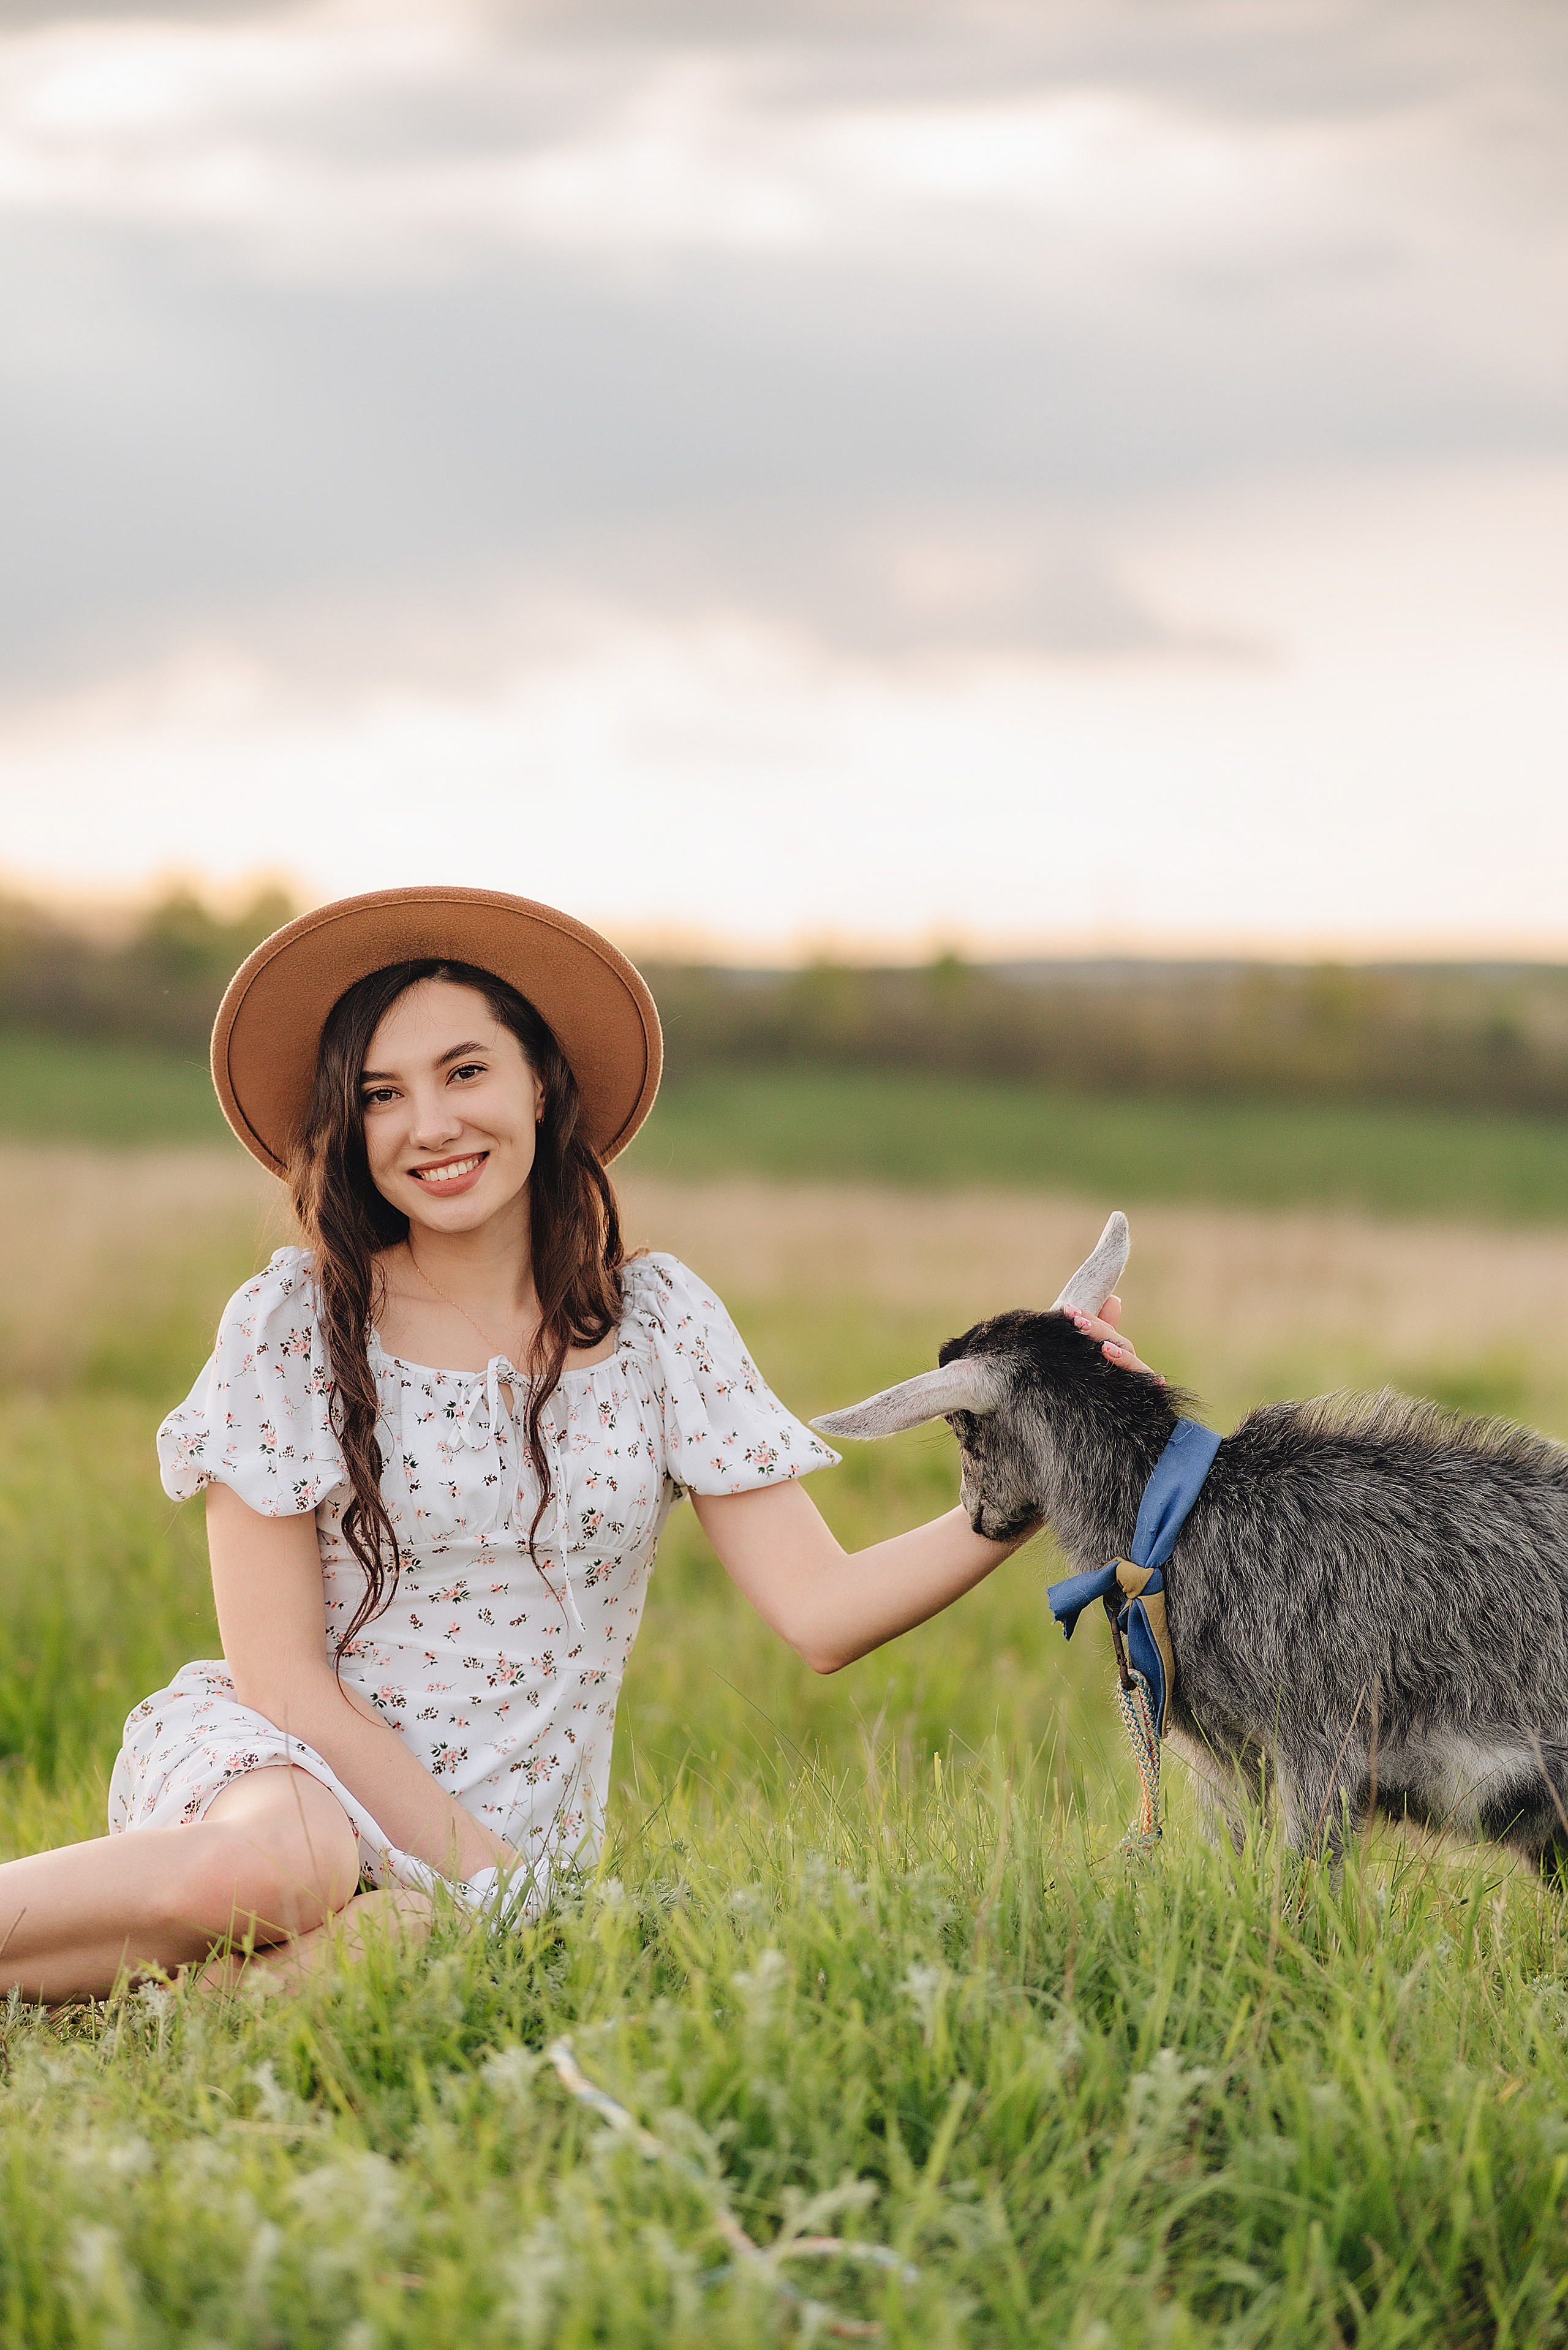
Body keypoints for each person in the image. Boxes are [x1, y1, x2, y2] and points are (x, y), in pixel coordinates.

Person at [0, 888, 1154, 2003]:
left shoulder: (659, 1323)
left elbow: (822, 1610)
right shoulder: (292, 1322)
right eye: (381, 1094)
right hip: (291, 1780)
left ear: (543, 1085)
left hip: (515, 1847)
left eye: (464, 1072)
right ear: (347, 1128)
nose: (431, 1124)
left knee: (395, 1952)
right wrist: (492, 1881)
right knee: (281, 1870)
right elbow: (287, 1686)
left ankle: (136, 2000)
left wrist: (1047, 1459)